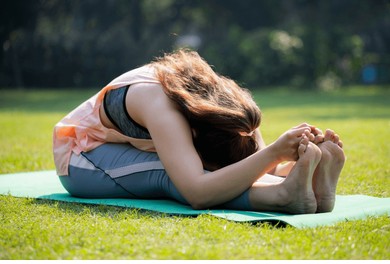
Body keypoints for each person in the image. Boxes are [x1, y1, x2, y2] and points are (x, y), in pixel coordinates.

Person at [53, 49, 345, 214]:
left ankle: (310, 185)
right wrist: (273, 153)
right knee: (172, 175)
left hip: (132, 144)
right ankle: (282, 196)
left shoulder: (222, 102)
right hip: (82, 158)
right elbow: (197, 192)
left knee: (240, 159)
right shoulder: (163, 109)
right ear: (195, 137)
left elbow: (248, 147)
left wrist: (285, 157)